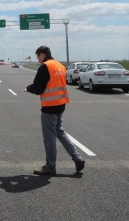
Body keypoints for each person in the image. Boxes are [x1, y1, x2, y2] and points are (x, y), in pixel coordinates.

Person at [25, 46, 85, 175]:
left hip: (49, 106)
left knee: (49, 137)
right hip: (61, 104)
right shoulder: (60, 66)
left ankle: (50, 166)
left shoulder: (45, 66)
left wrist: (28, 88)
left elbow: (38, 88)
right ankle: (77, 158)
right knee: (59, 131)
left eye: (37, 57)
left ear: (42, 54)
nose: (38, 60)